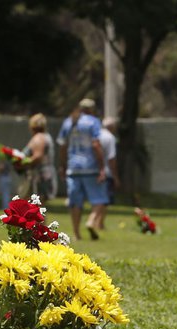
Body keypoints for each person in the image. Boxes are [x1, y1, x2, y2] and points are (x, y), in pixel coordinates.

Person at [57, 98, 108, 241]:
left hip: (73, 168)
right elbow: (96, 144)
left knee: (75, 202)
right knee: (99, 198)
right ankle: (91, 221)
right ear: (91, 110)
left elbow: (62, 146)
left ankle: (76, 233)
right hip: (90, 167)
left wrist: (63, 165)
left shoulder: (68, 122)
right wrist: (102, 166)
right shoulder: (93, 122)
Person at [20, 113, 57, 200]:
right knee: (35, 208)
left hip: (39, 177)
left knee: (35, 207)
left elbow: (38, 156)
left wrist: (21, 162)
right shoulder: (45, 136)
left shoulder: (39, 138)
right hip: (46, 174)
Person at [96, 116, 120, 230]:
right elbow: (111, 158)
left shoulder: (96, 135)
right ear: (112, 127)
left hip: (94, 171)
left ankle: (95, 221)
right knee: (105, 199)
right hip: (106, 172)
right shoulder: (110, 138)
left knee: (96, 198)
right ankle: (99, 223)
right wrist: (115, 176)